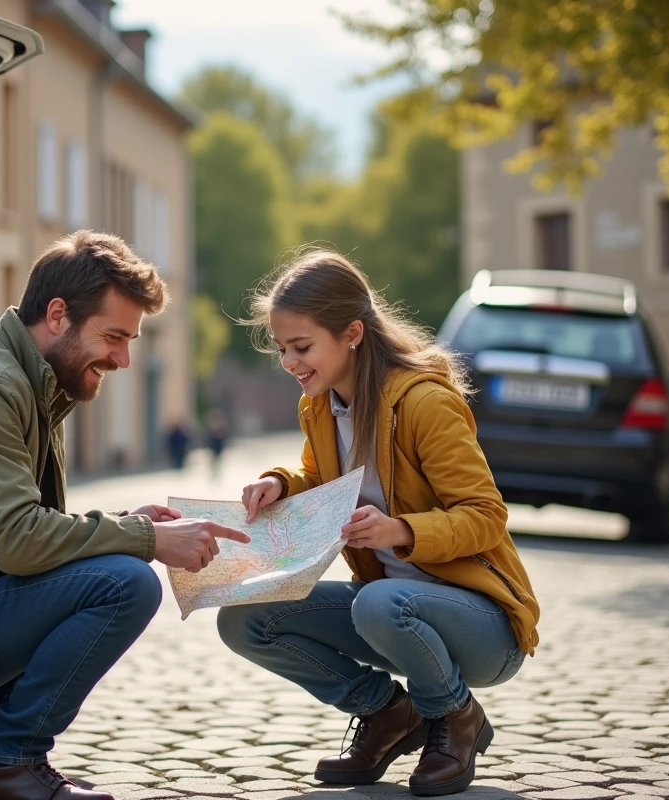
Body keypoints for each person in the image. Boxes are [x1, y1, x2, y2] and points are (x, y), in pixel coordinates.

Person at [0, 231, 249, 800]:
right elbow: (16, 541)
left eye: (129, 341)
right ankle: (6, 762)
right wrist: (145, 538)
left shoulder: (33, 381)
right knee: (125, 584)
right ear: (58, 315)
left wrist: (126, 521)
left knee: (113, 569)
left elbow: (26, 533)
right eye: (113, 336)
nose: (123, 359)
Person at [218, 249, 540, 797]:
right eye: (282, 349)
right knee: (243, 617)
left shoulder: (423, 403)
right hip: (389, 615)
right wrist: (281, 484)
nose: (291, 362)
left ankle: (455, 715)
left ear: (351, 334)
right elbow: (319, 475)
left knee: (377, 600)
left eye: (302, 347)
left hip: (483, 625)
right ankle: (389, 712)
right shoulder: (320, 406)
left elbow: (487, 516)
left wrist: (402, 531)